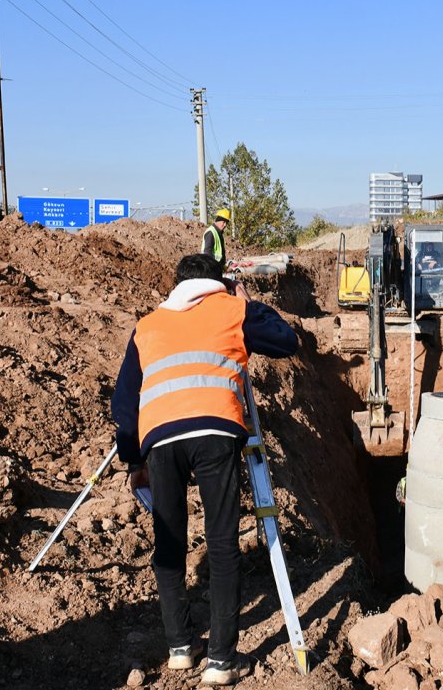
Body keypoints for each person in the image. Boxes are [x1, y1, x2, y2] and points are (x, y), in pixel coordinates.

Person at [111, 253, 298, 685]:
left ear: (176, 284)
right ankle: (221, 660)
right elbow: (286, 341)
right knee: (221, 542)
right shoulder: (232, 309)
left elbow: (123, 404)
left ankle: (180, 647)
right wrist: (248, 302)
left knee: (169, 542)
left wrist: (134, 461)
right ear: (220, 284)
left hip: (160, 440)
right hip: (216, 431)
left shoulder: (148, 325)